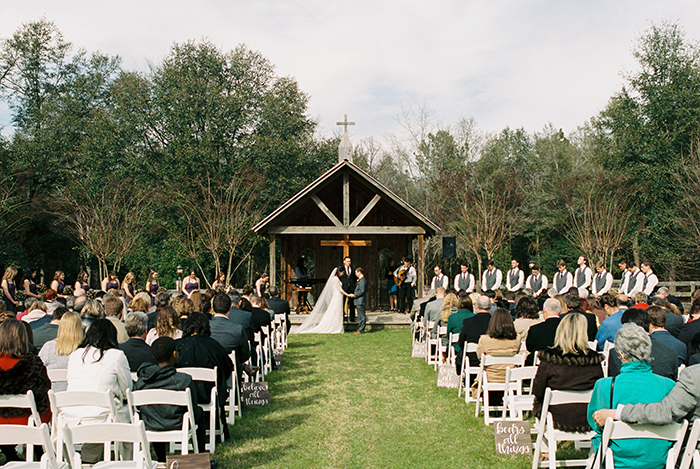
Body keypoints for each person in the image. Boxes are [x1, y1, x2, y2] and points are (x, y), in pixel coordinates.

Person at [586, 324, 676, 469]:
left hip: (617, 460)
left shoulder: (605, 385)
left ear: (621, 354)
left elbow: (594, 422)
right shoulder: (669, 385)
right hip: (659, 459)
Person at [64, 319, 132, 464]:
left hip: (71, 414)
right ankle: (127, 462)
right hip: (101, 416)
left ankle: (88, 460)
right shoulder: (116, 355)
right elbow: (127, 388)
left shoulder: (75, 355)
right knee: (129, 415)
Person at [134, 337, 208, 462]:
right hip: (178, 423)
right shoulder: (183, 380)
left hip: (150, 424)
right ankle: (200, 459)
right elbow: (193, 410)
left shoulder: (143, 380)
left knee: (156, 411)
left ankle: (162, 459)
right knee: (199, 412)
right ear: (174, 354)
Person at [532, 313, 603, 432]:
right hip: (587, 416)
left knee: (540, 401)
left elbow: (538, 390)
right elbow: (599, 390)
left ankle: (544, 447)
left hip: (555, 416)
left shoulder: (550, 358)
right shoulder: (594, 360)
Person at [0, 319, 52, 462]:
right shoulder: (33, 364)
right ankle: (41, 456)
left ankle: (9, 453)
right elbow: (43, 402)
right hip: (27, 423)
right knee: (41, 416)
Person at [176, 312, 234, 440]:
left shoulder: (177, 346)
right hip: (208, 394)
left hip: (181, 395)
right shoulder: (213, 345)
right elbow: (227, 367)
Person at [474, 309, 521, 398]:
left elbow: (480, 357)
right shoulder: (517, 339)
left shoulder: (484, 339)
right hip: (511, 377)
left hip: (491, 377)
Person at [292, 267, 349, 334]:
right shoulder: (335, 279)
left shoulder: (336, 279)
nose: (342, 274)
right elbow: (339, 289)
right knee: (335, 311)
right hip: (337, 296)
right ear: (339, 272)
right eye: (342, 272)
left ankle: (337, 326)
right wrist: (347, 294)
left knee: (337, 311)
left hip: (338, 297)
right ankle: (335, 326)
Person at [39, 311, 83, 391]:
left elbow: (38, 372)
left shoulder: (49, 347)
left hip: (53, 398)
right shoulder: (85, 351)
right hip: (77, 398)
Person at [456, 295, 493, 373]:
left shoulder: (468, 322)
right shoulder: (495, 322)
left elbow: (461, 343)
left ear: (476, 306)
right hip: (491, 360)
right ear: (490, 307)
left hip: (473, 360)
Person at [526, 298, 563, 365]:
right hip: (562, 363)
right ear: (560, 311)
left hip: (539, 364)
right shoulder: (567, 328)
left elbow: (529, 347)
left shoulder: (535, 329)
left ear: (544, 310)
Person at [351, 267, 368, 334]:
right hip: (359, 300)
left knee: (362, 316)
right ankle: (360, 329)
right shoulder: (361, 280)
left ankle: (361, 329)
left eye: (356, 272)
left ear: (359, 272)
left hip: (360, 300)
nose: (355, 274)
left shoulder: (362, 280)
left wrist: (354, 295)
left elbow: (362, 291)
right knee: (361, 315)